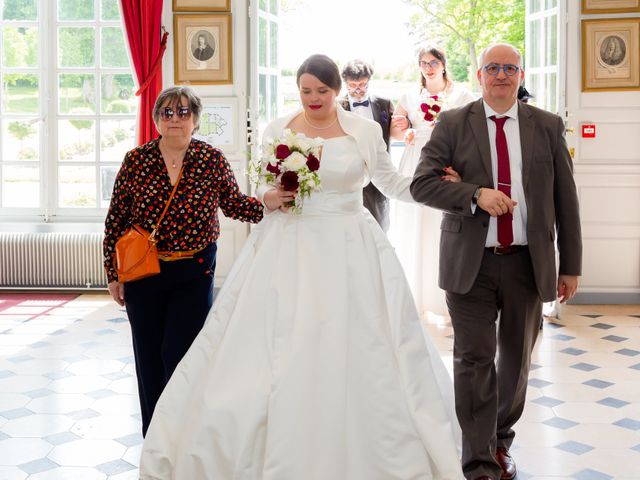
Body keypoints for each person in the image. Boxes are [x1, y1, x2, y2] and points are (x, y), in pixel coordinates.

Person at [138, 54, 464, 480]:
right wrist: (273, 193)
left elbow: (389, 183)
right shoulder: (279, 128)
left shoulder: (363, 130)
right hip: (288, 244)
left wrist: (436, 186)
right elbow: (260, 187)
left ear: (337, 91)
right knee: (273, 339)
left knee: (361, 340)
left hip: (349, 246)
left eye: (322, 92)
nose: (314, 99)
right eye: (306, 91)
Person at [410, 43, 582, 480]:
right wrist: (473, 194)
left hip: (528, 262)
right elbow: (422, 185)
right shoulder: (452, 123)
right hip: (472, 264)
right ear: (480, 74)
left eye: (510, 67)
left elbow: (566, 199)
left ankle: (500, 436)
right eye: (493, 68)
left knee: (516, 362)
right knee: (473, 360)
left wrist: (571, 264)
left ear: (521, 75)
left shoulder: (546, 125)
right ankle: (480, 462)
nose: (501, 75)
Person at [103, 86, 263, 436]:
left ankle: (181, 436)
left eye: (184, 112)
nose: (175, 118)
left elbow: (235, 205)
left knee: (180, 355)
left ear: (196, 119)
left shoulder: (211, 159)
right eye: (166, 112)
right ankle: (155, 439)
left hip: (194, 271)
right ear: (156, 118)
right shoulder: (136, 160)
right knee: (148, 358)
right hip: (143, 272)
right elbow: (116, 220)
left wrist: (272, 204)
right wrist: (113, 274)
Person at [388, 45, 476, 316]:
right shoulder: (409, 95)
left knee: (443, 225)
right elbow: (394, 130)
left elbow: (472, 130)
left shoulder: (460, 95)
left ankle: (446, 297)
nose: (429, 67)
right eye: (424, 63)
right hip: (416, 160)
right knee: (415, 222)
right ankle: (415, 296)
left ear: (443, 65)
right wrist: (406, 135)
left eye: (434, 62)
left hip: (447, 162)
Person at [339, 59, 395, 231]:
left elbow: (394, 131)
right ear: (345, 83)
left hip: (379, 172)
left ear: (369, 81)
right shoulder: (337, 107)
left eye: (362, 84)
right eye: (353, 85)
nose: (358, 89)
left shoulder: (384, 103)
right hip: (347, 175)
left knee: (380, 224)